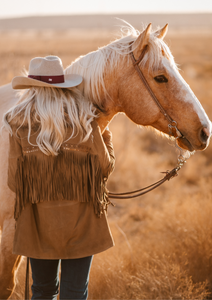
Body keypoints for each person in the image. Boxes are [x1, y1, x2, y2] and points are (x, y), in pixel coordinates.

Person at [3, 55, 115, 300]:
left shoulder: (16, 123)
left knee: (42, 291)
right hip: (82, 224)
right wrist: (107, 140)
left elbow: (14, 181)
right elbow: (104, 168)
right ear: (63, 87)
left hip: (37, 226)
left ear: (32, 89)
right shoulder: (85, 119)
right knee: (75, 293)